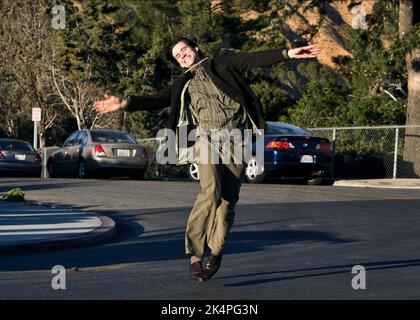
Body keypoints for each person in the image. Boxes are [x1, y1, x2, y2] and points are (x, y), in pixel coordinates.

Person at [93, 37, 320, 282]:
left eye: (184, 49)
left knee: (227, 202)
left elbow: (252, 58)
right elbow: (157, 99)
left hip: (237, 139)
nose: (182, 55)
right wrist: (124, 103)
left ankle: (217, 251)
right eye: (177, 55)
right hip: (206, 139)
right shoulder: (183, 82)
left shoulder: (221, 65)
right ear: (178, 64)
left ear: (195, 48)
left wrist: (287, 53)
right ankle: (194, 257)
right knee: (210, 192)